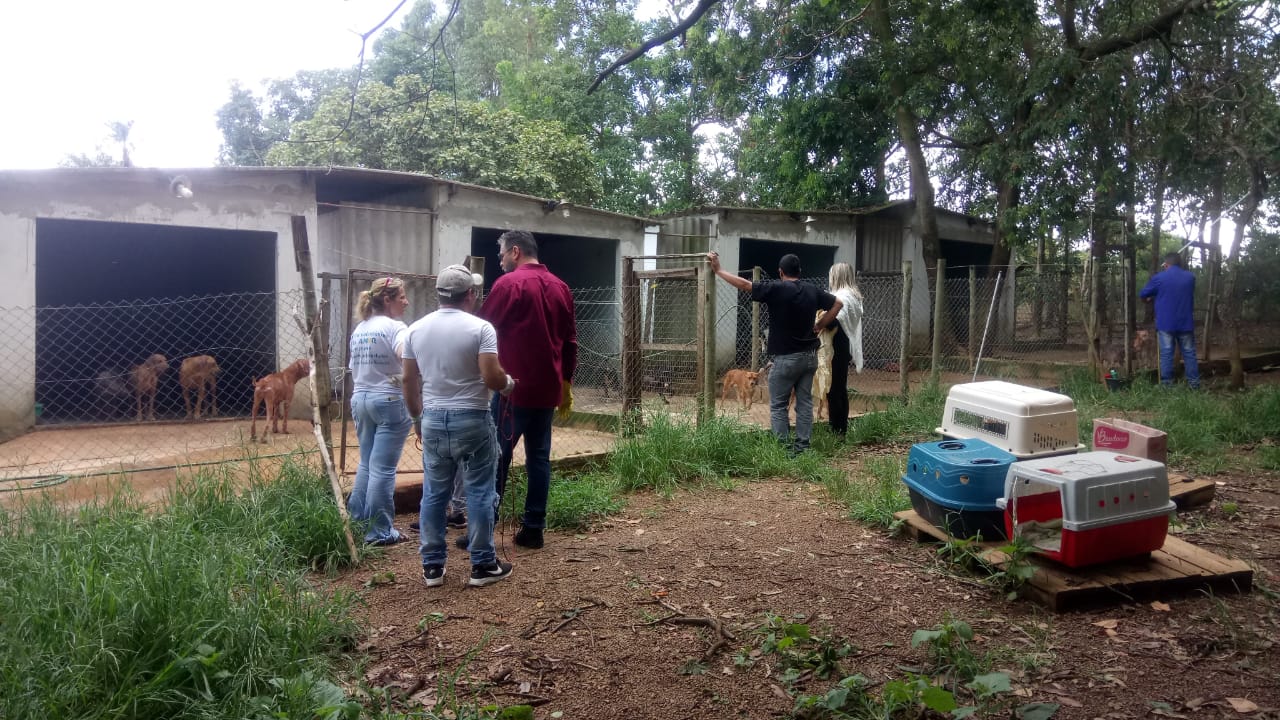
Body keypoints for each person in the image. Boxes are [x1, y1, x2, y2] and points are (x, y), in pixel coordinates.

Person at [403, 265, 516, 587]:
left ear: (439, 293)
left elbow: (409, 380)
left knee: (435, 494)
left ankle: (432, 567)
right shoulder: (481, 329)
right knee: (480, 491)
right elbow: (491, 377)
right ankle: (482, 565)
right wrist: (508, 385)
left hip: (434, 419)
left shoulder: (415, 329)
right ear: (470, 294)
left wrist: (416, 418)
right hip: (473, 418)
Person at [480, 230, 577, 550]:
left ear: (516, 252)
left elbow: (482, 328)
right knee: (539, 458)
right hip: (548, 388)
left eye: (502, 255)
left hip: (512, 389)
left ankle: (484, 531)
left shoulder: (508, 285)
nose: (501, 261)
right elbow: (570, 342)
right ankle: (533, 528)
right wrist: (566, 383)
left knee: (495, 458)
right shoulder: (561, 287)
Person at [708, 251, 841, 454]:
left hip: (786, 358)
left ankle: (783, 449)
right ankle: (802, 447)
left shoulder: (777, 288)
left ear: (780, 272)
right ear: (800, 271)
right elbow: (838, 303)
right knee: (805, 403)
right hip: (809, 357)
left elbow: (745, 285)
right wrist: (821, 324)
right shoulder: (812, 289)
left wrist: (719, 270)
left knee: (778, 405)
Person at [347, 276, 413, 546]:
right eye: (402, 298)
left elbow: (354, 368)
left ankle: (356, 520)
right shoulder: (396, 327)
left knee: (366, 462)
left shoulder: (360, 328)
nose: (406, 302)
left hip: (360, 399)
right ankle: (379, 532)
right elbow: (404, 356)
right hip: (388, 400)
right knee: (384, 469)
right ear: (387, 300)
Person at [1139, 252, 1200, 389]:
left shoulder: (1159, 278)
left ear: (1166, 264)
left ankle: (1167, 385)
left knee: (1166, 354)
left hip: (1166, 323)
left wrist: (1151, 295)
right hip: (1185, 322)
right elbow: (1177, 290)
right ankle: (1194, 384)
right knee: (1189, 354)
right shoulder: (1190, 277)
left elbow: (1143, 294)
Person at [826, 262, 865, 436]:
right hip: (844, 348)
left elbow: (835, 320)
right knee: (840, 388)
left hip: (836, 347)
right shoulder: (854, 296)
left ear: (837, 276)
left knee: (833, 390)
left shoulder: (843, 296)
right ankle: (841, 429)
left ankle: (837, 431)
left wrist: (820, 319)